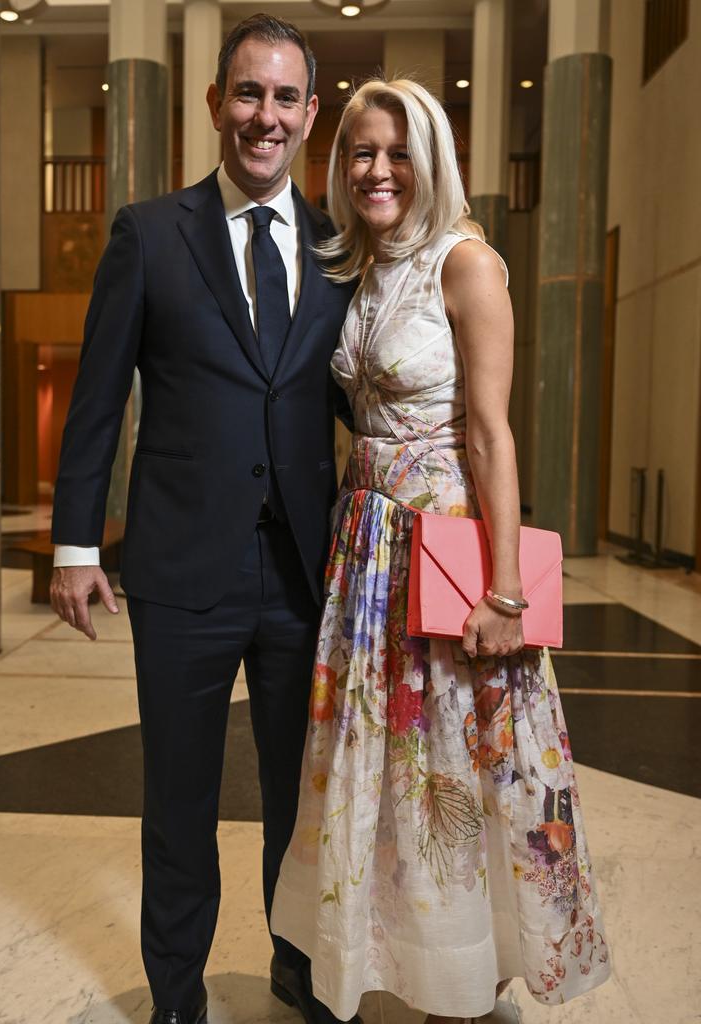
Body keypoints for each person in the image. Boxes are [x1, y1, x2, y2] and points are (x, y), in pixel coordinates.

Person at [270, 78, 611, 1024]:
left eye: (396, 151)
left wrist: (504, 590)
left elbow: (494, 436)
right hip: (365, 550)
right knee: (382, 768)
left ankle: (466, 977)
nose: (376, 170)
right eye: (359, 153)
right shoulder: (362, 263)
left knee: (454, 767)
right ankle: (402, 954)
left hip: (441, 549)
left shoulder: (468, 264)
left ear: (432, 158)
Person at [49, 15, 360, 1024]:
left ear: (310, 114)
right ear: (216, 102)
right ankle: (176, 992)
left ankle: (296, 965)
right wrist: (74, 542)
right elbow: (97, 399)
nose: (262, 116)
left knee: (298, 803)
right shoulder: (151, 233)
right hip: (182, 574)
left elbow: (369, 397)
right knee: (178, 801)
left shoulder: (338, 250)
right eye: (246, 93)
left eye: (283, 98)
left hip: (303, 579)